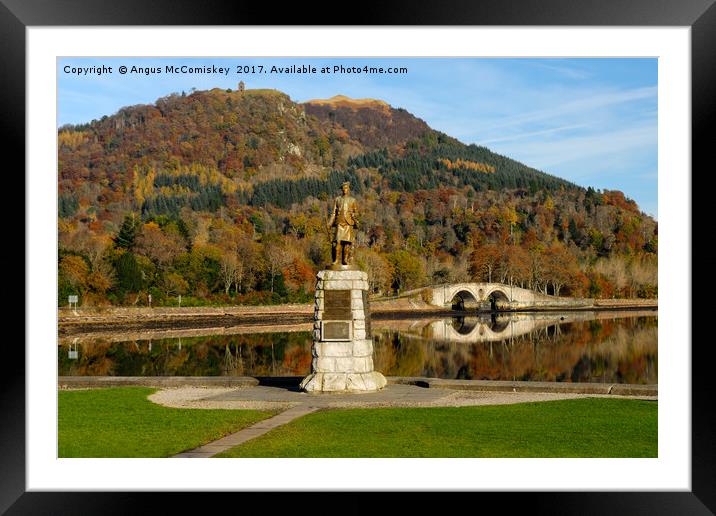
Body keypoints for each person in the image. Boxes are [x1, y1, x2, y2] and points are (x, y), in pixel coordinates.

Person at [327, 181, 359, 268]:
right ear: (341, 190)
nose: (345, 190)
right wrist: (330, 222)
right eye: (343, 188)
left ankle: (345, 260)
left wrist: (354, 215)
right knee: (337, 242)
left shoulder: (353, 200)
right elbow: (333, 213)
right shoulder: (337, 199)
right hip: (339, 223)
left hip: (348, 223)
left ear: (348, 189)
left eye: (346, 188)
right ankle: (336, 260)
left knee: (347, 243)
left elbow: (357, 212)